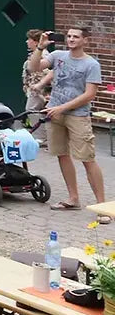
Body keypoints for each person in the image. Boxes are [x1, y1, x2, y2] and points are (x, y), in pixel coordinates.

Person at [28, 27, 108, 216]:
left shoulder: (91, 64)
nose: (71, 39)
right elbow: (33, 67)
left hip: (78, 115)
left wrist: (62, 108)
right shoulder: (58, 55)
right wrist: (39, 48)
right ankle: (73, 198)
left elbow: (89, 95)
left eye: (76, 37)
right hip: (55, 113)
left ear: (85, 40)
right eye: (69, 36)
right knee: (62, 154)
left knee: (87, 159)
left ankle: (103, 207)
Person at [22, 29, 53, 142]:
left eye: (29, 39)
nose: (27, 42)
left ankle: (41, 137)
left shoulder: (44, 55)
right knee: (38, 111)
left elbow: (50, 72)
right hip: (34, 88)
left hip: (39, 90)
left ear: (35, 42)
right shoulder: (36, 54)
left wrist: (40, 85)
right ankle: (44, 136)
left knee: (31, 109)